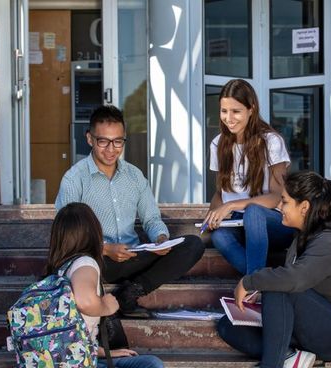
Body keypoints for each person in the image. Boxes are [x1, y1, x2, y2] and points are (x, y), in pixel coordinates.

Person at [55, 105, 205, 318]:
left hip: (133, 256)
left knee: (192, 245)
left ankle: (130, 292)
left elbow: (152, 218)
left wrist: (161, 238)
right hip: (97, 261)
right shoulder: (74, 179)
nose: (111, 149)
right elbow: (67, 236)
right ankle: (117, 298)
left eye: (118, 141)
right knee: (84, 262)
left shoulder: (134, 176)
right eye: (103, 141)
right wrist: (106, 249)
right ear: (90, 139)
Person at [217, 171, 331, 367]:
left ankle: (272, 364)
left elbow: (294, 280)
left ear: (304, 207)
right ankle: (290, 355)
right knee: (229, 327)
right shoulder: (303, 236)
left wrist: (249, 281)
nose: (279, 206)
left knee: (280, 288)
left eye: (284, 202)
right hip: (316, 324)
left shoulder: (330, 242)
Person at [45, 202, 163, 368]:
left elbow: (67, 332)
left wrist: (103, 352)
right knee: (151, 365)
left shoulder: (58, 270)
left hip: (66, 356)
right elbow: (85, 302)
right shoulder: (84, 263)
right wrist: (108, 306)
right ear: (92, 232)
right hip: (77, 363)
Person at [203, 79, 294, 275]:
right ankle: (259, 281)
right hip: (238, 222)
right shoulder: (218, 144)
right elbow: (221, 193)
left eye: (236, 111)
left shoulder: (271, 141)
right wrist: (212, 215)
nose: (229, 118)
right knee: (220, 237)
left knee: (254, 211)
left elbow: (277, 196)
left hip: (272, 222)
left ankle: (254, 284)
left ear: (251, 109)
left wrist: (231, 205)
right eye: (224, 111)